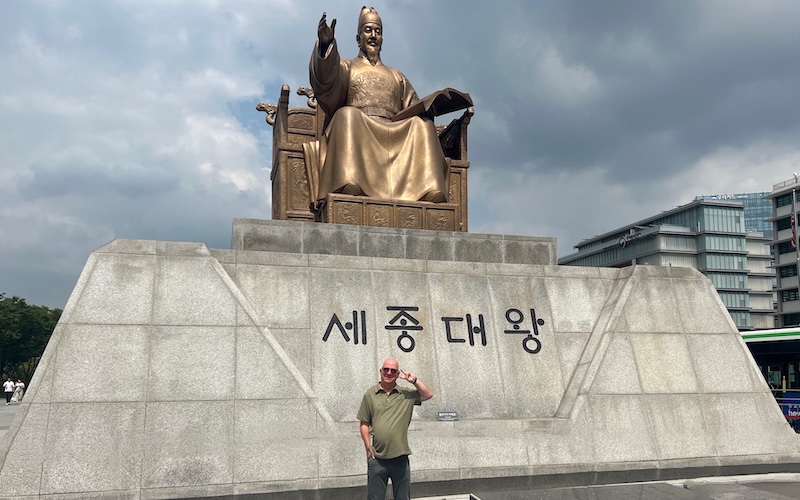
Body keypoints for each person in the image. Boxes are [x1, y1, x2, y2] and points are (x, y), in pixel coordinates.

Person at [309, 7, 450, 204]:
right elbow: (325, 81)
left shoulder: (397, 75)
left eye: (378, 32)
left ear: (382, 39)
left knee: (422, 125)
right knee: (347, 115)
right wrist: (326, 45)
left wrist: (428, 108)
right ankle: (349, 181)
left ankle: (429, 189)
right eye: (368, 30)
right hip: (360, 127)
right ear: (358, 38)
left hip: (394, 128)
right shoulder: (347, 66)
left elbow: (412, 106)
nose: (373, 36)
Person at [357, 358, 433, 500]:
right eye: (386, 369)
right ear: (380, 371)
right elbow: (364, 424)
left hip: (400, 459)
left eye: (393, 371)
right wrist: (368, 447)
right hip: (377, 459)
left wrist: (414, 380)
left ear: (398, 374)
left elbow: (428, 394)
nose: (389, 373)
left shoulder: (406, 394)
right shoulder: (370, 394)